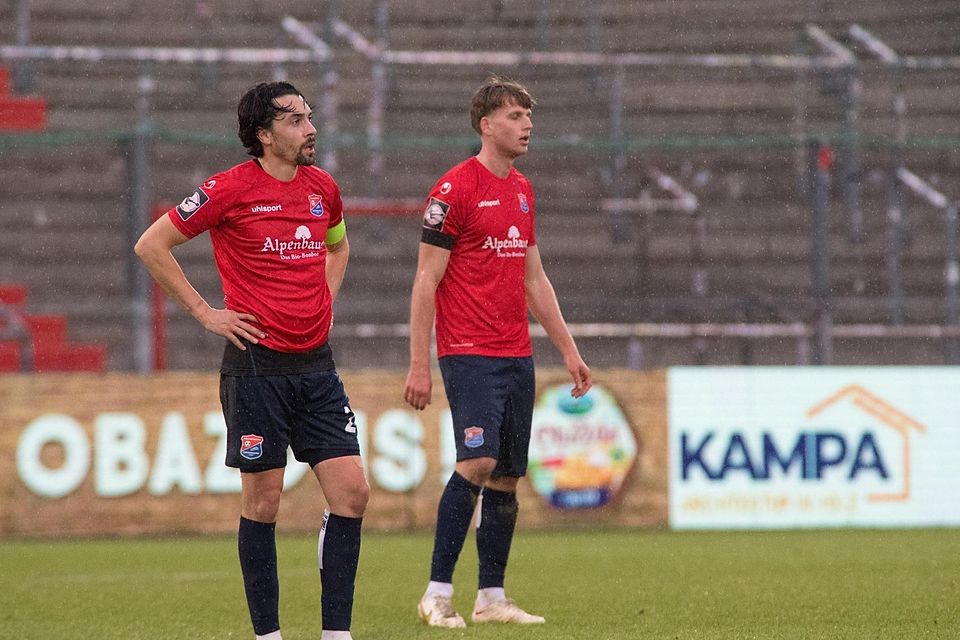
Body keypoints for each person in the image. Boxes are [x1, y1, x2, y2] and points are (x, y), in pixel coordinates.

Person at [135, 81, 368, 640]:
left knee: (353, 492)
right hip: (257, 368)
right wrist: (205, 312)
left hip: (317, 367)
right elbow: (151, 244)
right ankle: (269, 635)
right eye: (294, 120)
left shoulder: (323, 189)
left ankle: (336, 633)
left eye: (310, 117)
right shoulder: (229, 189)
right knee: (264, 503)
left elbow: (338, 246)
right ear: (262, 134)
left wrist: (324, 301)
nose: (310, 129)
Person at [403, 76, 593, 628]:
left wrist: (569, 351)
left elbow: (535, 279)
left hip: (516, 353)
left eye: (528, 115)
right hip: (467, 350)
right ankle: (437, 594)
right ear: (486, 125)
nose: (526, 124)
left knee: (508, 475)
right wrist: (420, 361)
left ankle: (491, 598)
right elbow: (424, 281)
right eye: (514, 115)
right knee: (477, 461)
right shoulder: (453, 190)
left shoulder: (523, 190)